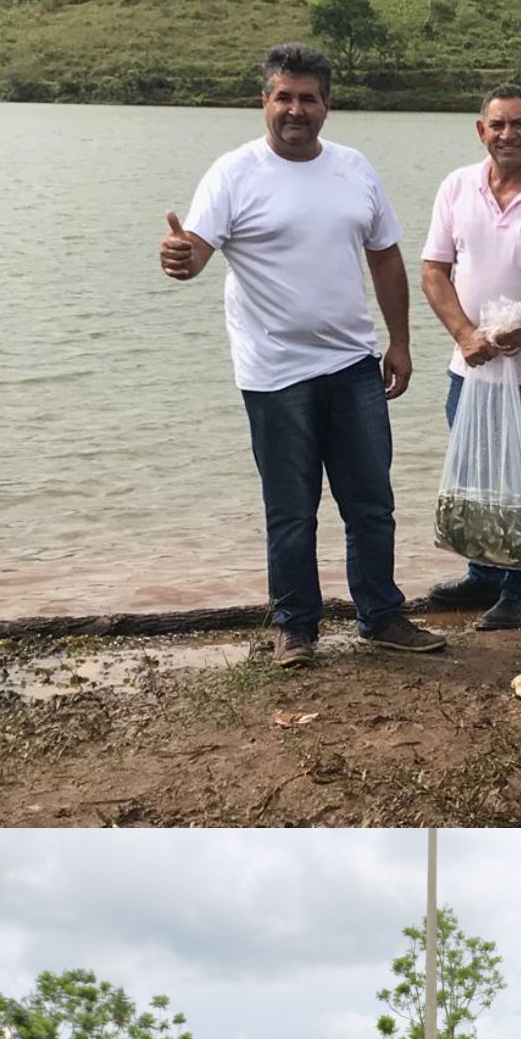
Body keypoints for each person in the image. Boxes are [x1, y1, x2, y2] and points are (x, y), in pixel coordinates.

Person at [157, 42, 441, 665]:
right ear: (264, 102)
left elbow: (386, 254)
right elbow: (197, 251)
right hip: (274, 373)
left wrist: (400, 341)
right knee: (290, 509)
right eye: (283, 96)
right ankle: (296, 628)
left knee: (372, 503)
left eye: (307, 98)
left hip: (353, 365)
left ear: (327, 106)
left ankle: (382, 616)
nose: (295, 109)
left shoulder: (354, 167)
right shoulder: (233, 173)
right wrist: (180, 258)